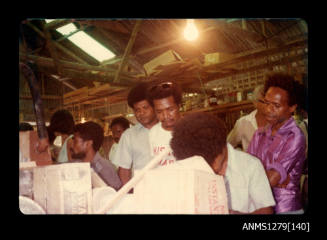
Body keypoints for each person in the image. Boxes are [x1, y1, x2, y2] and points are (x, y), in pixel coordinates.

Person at [170, 112, 275, 214]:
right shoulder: (188, 168)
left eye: (211, 161)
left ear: (223, 146)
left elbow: (266, 210)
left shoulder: (250, 165)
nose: (210, 168)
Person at [247, 72, 306, 214]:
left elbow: (271, 179)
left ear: (292, 108)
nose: (268, 109)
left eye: (276, 105)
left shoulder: (294, 136)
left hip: (285, 209)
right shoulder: (259, 134)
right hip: (260, 208)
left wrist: (263, 177)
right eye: (267, 103)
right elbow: (246, 169)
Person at [112, 82, 158, 186]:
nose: (141, 113)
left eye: (145, 108)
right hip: (142, 191)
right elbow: (124, 170)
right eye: (137, 110)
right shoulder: (129, 136)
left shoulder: (168, 129)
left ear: (155, 107)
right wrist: (128, 195)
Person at [71, 121, 122, 191]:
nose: (72, 145)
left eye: (75, 141)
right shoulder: (74, 166)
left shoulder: (104, 168)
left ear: (88, 144)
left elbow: (116, 194)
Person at [146, 80, 183, 167]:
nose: (165, 116)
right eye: (159, 112)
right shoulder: (153, 133)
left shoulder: (192, 128)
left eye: (170, 110)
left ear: (179, 106)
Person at [227, 85, 267, 151]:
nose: (268, 106)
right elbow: (228, 144)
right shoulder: (243, 123)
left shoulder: (278, 120)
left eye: (271, 102)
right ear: (255, 103)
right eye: (264, 102)